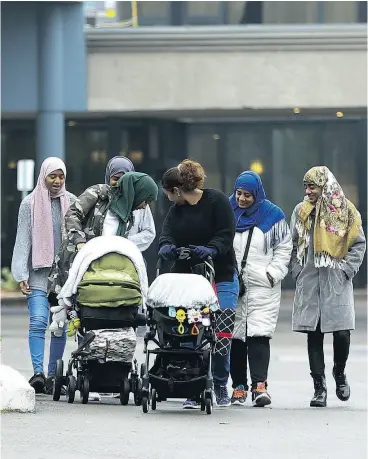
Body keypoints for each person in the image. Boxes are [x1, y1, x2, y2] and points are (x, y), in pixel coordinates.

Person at [158, 159, 239, 408]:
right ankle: (194, 385)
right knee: (190, 328)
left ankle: (220, 384)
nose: (169, 200)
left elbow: (226, 233)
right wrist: (167, 248)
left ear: (177, 190)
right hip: (188, 278)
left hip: (220, 273)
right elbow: (167, 234)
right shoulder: (176, 211)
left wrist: (211, 250)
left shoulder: (217, 201)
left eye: (169, 195)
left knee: (222, 326)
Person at [290, 166, 366, 408]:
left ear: (325, 186)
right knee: (314, 333)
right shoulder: (301, 211)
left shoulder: (346, 211)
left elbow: (359, 244)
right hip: (310, 280)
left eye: (312, 186)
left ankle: (339, 373)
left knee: (342, 333)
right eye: (306, 186)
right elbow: (292, 244)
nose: (308, 191)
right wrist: (297, 271)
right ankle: (319, 387)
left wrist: (346, 270)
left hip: (336, 281)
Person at [11, 157, 76, 394]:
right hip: (38, 275)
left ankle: (53, 377)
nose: (57, 181)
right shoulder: (29, 204)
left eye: (61, 177)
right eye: (52, 176)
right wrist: (20, 273)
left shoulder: (74, 203)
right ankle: (38, 373)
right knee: (38, 321)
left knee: (58, 326)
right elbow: (23, 239)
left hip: (64, 278)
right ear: (43, 177)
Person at [229, 171, 292, 407]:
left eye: (247, 195)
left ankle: (260, 387)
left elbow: (284, 248)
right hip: (234, 284)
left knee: (259, 335)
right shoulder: (227, 212)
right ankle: (238, 387)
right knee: (235, 337)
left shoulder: (273, 216)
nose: (242, 199)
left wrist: (272, 274)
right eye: (239, 194)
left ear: (257, 194)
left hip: (262, 287)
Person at [49, 169, 158, 297]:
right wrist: (80, 242)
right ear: (138, 193)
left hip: (102, 273)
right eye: (146, 200)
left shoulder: (129, 217)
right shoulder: (99, 193)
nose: (145, 206)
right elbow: (72, 214)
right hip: (76, 263)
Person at [103, 156, 156, 251]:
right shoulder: (101, 200)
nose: (120, 183)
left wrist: (124, 242)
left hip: (130, 258)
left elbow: (149, 232)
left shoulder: (140, 203)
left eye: (125, 179)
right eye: (116, 178)